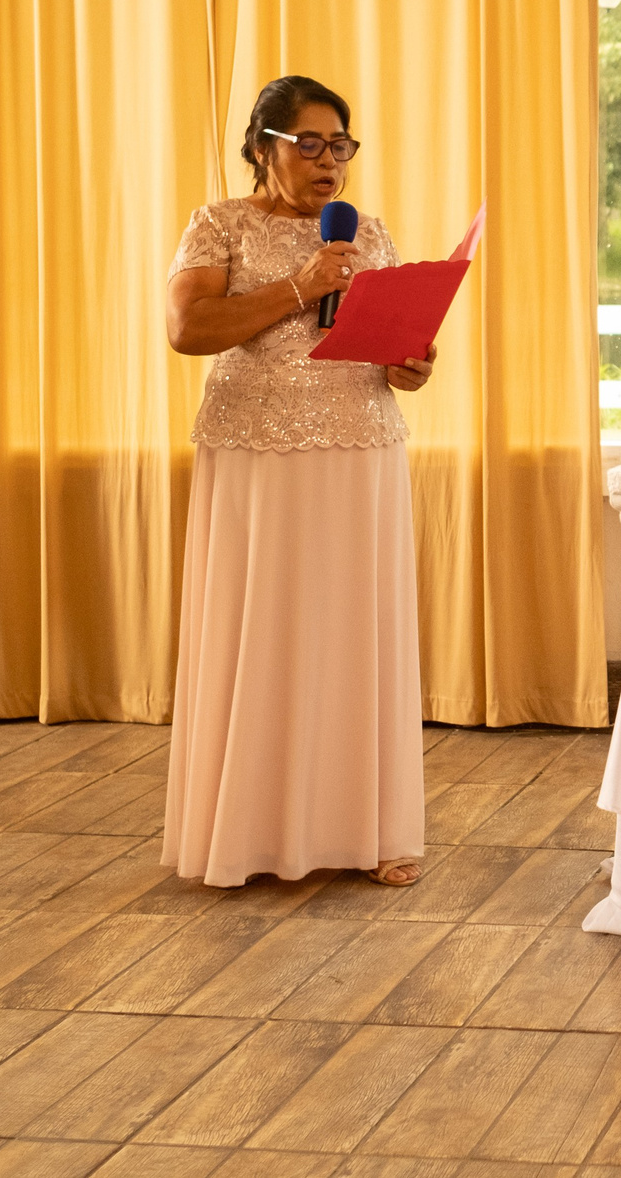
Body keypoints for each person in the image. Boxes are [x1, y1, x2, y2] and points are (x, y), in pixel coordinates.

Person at [161, 77, 435, 889]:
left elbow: (393, 350)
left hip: (362, 447)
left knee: (357, 631)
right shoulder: (220, 225)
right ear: (261, 147)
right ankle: (251, 833)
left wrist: (410, 362)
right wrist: (298, 287)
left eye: (340, 146)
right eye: (308, 144)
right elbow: (188, 330)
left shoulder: (368, 234)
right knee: (267, 627)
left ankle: (372, 828)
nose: (329, 162)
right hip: (258, 450)